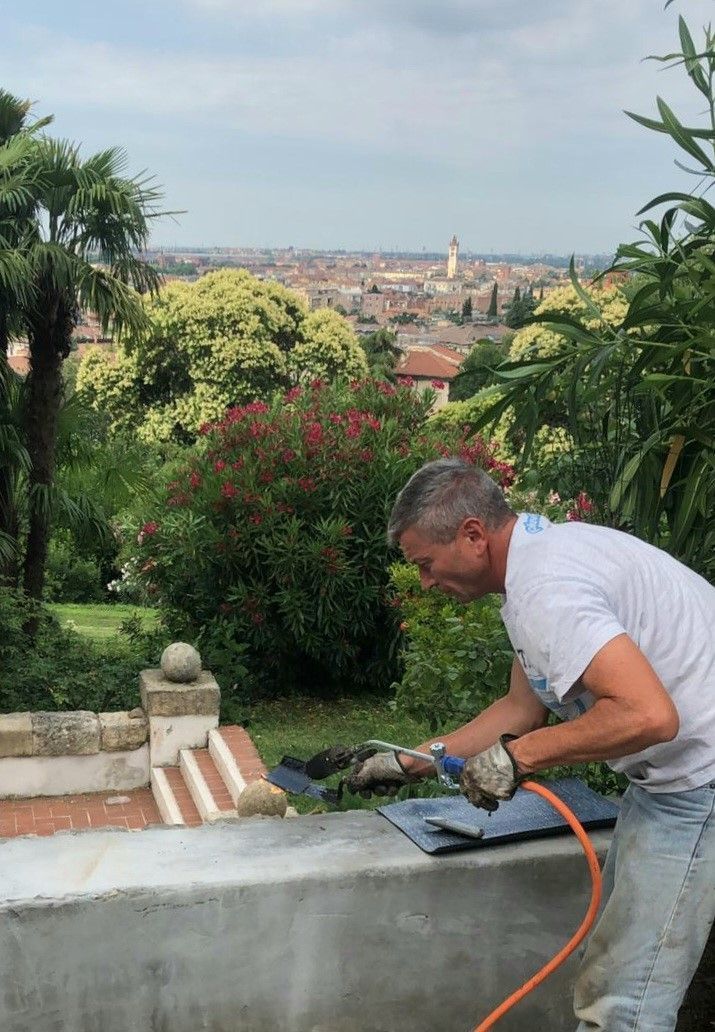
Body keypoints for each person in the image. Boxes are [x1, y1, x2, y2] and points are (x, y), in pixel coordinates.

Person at [346, 457, 715, 1032]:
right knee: (615, 974)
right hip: (673, 778)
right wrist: (411, 761)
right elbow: (520, 709)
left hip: (700, 779)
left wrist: (518, 758)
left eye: (424, 563)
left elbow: (648, 714)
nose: (423, 581)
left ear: (472, 535)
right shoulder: (531, 566)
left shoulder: (546, 586)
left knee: (625, 1005)